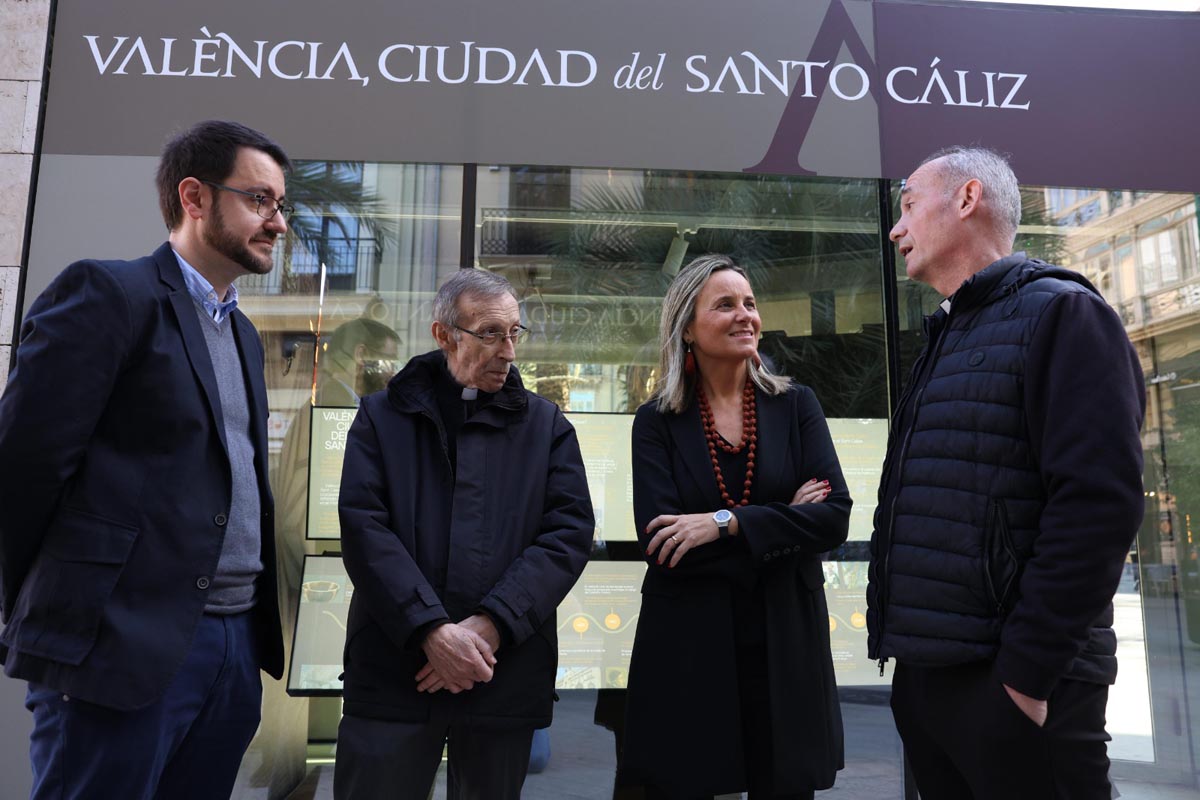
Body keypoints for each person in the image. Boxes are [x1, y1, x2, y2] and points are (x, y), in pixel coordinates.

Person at [0, 119, 291, 798]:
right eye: (259, 199)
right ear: (195, 197)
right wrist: (53, 614)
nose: (278, 223)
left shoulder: (244, 334)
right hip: (118, 643)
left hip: (232, 646)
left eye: (281, 205)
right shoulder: (109, 295)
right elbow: (22, 467)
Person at [868, 146, 1145, 799]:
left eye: (908, 205)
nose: (896, 228)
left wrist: (1026, 676)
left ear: (967, 199)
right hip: (933, 678)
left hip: (1018, 688)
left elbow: (1098, 507)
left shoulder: (1064, 313)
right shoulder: (949, 334)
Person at [334, 268, 595, 800]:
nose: (508, 351)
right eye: (491, 333)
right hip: (397, 670)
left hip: (500, 670)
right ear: (444, 334)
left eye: (514, 333)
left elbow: (568, 535)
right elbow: (364, 528)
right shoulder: (381, 419)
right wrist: (430, 630)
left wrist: (492, 625)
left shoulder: (546, 427)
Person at [620, 254, 850, 799]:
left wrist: (723, 523)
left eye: (749, 303)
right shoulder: (656, 422)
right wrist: (785, 521)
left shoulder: (796, 405)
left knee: (784, 784)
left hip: (785, 639)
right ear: (687, 328)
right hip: (691, 645)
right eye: (725, 305)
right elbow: (664, 546)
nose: (745, 315)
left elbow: (833, 517)